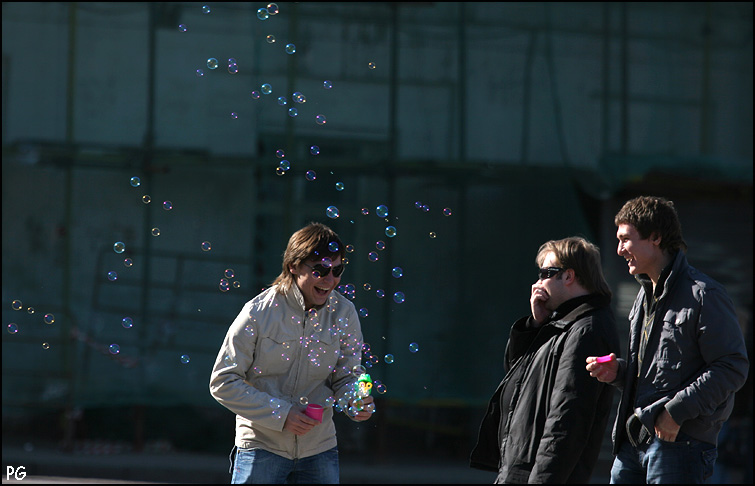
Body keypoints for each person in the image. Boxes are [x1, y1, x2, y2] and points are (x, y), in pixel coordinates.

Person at [586, 195, 749, 484]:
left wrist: (675, 413)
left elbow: (732, 367)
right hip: (634, 440)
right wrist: (620, 372)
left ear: (656, 238)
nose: (619, 250)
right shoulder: (643, 296)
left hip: (680, 444)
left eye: (626, 239)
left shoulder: (704, 295)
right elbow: (660, 374)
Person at [209, 222, 374, 484]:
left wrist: (354, 401)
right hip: (261, 446)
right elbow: (223, 382)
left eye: (337, 270)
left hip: (319, 448)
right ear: (293, 266)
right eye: (320, 270)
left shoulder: (345, 312)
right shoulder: (258, 312)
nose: (330, 279)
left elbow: (345, 377)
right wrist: (282, 415)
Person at [470, 236, 620, 483]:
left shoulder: (586, 331)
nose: (537, 283)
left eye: (545, 273)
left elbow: (567, 420)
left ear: (568, 276)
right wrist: (535, 326)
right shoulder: (560, 324)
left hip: (536, 475)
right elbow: (517, 381)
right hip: (520, 470)